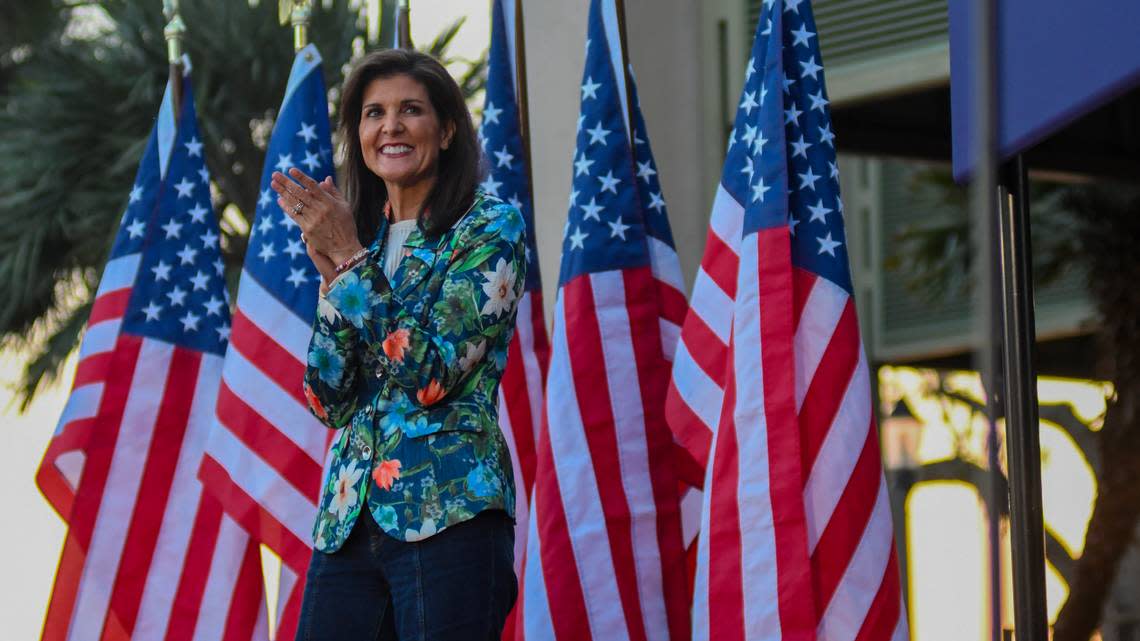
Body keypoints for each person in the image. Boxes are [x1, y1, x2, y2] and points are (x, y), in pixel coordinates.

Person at [270, 48, 525, 641]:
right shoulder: (362, 234)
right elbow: (329, 399)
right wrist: (339, 273)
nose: (390, 126)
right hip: (349, 521)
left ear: (447, 128)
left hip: (450, 514)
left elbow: (431, 375)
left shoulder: (489, 227)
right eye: (373, 113)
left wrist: (353, 265)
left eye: (410, 110)